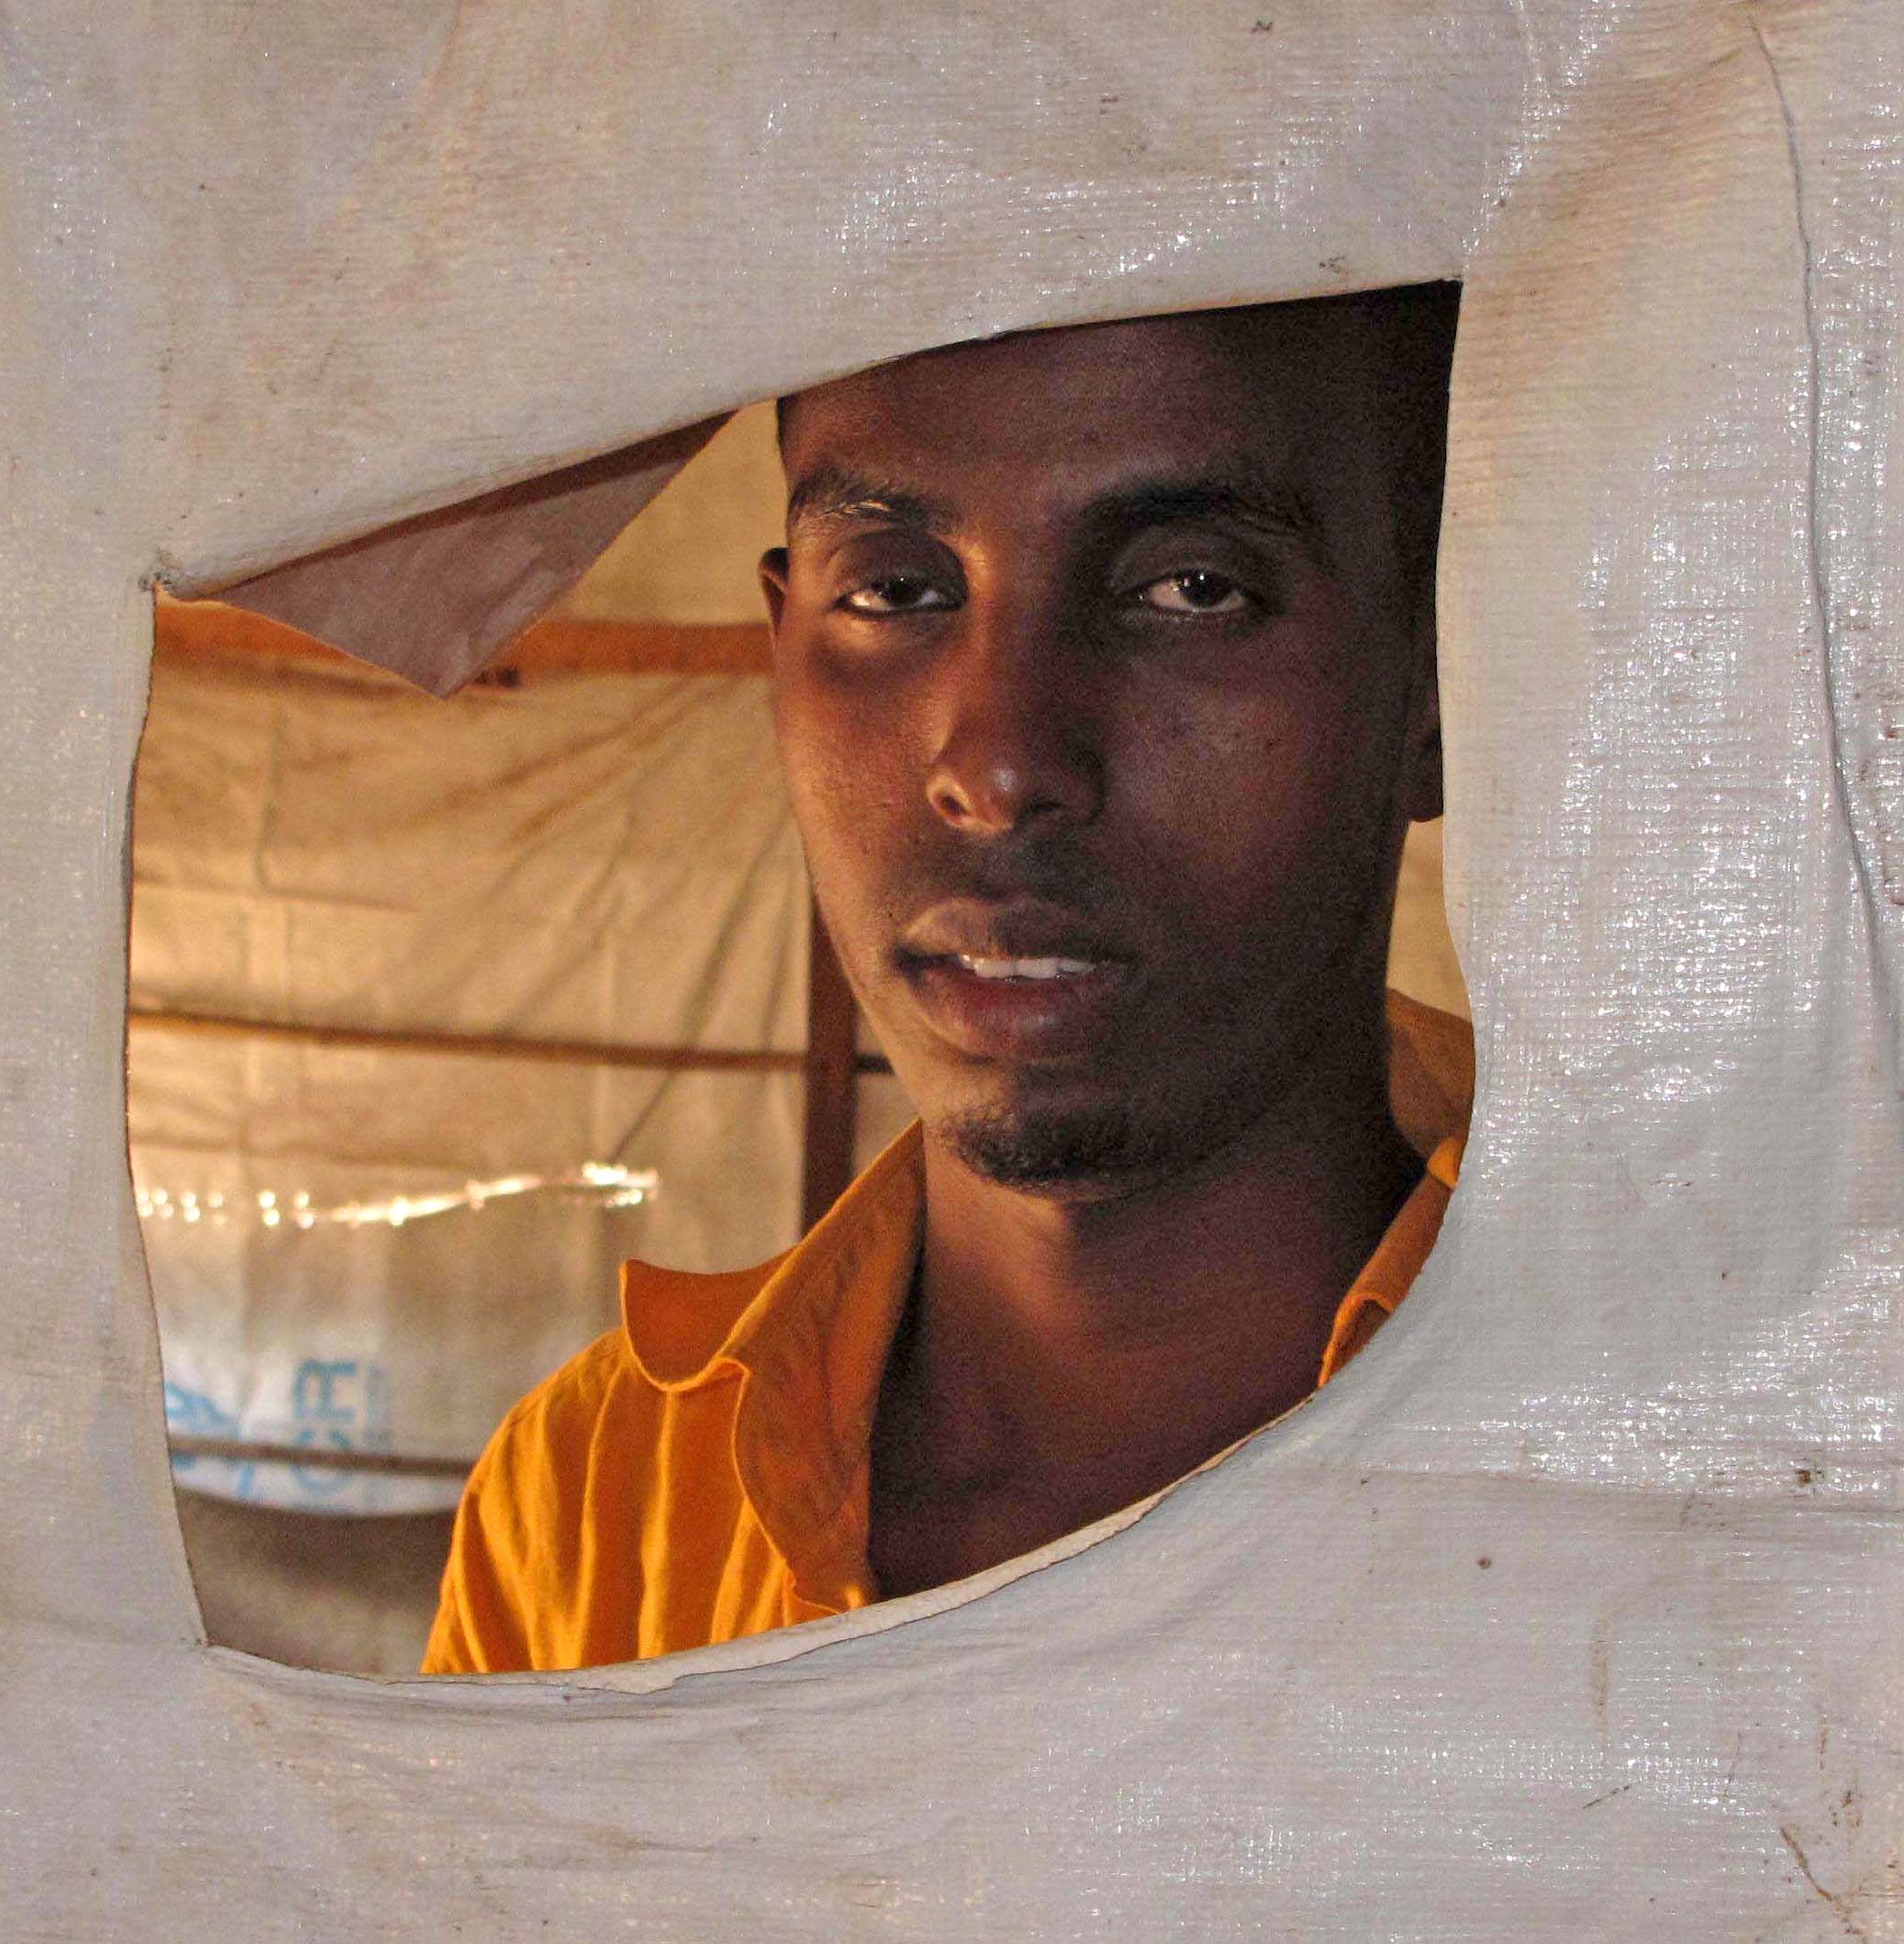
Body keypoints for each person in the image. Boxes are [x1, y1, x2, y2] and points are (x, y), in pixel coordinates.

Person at [422, 285, 1469, 1675]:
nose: (997, 766)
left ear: (1445, 684)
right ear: (781, 651)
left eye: (1192, 588)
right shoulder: (602, 1504)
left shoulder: (1731, 1480)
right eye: (898, 590)